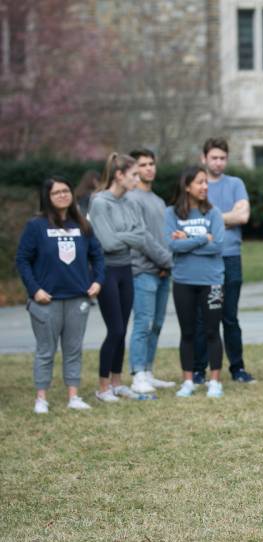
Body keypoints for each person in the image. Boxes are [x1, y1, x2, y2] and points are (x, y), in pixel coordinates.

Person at [16, 176, 105, 414]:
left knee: (73, 349)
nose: (63, 195)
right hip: (47, 300)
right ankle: (41, 398)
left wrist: (97, 281)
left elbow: (98, 256)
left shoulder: (82, 225)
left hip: (78, 298)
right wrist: (35, 290)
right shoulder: (36, 226)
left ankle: (73, 396)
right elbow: (23, 260)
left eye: (66, 190)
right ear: (48, 197)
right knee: (46, 351)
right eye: (57, 192)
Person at [88, 153, 162, 402]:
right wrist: (128, 235)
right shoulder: (100, 203)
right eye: (132, 174)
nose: (137, 177)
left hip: (126, 269)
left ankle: (118, 383)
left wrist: (125, 235)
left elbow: (141, 236)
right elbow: (107, 243)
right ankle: (103, 387)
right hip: (107, 271)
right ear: (119, 176)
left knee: (123, 329)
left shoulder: (130, 201)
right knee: (115, 329)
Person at [194, 137, 254, 384]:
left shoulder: (235, 183)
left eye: (222, 158)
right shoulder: (197, 184)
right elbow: (192, 221)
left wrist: (212, 218)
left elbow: (244, 216)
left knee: (230, 316)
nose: (218, 163)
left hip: (230, 257)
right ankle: (199, 370)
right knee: (203, 317)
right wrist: (226, 217)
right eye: (213, 158)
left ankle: (237, 368)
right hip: (202, 259)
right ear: (204, 159)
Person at [165, 165, 226, 399]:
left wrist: (188, 240)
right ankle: (188, 381)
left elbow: (218, 246)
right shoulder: (171, 214)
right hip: (183, 280)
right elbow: (172, 246)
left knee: (212, 331)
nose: (204, 187)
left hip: (211, 281)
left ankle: (214, 381)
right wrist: (202, 238)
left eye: (206, 183)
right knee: (187, 332)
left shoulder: (214, 214)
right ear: (187, 186)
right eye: (200, 182)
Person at [127, 148, 175, 394]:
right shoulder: (132, 199)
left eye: (151, 164)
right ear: (134, 169)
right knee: (142, 324)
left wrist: (167, 261)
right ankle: (137, 374)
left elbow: (163, 236)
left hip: (163, 271)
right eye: (143, 164)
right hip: (143, 271)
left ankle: (148, 371)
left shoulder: (158, 200)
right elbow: (142, 237)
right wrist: (166, 260)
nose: (149, 168)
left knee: (156, 324)